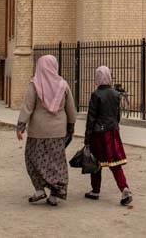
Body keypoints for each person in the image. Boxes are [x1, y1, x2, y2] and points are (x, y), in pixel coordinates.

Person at [16, 55, 76, 206]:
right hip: (57, 131)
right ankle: (55, 194)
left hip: (38, 131)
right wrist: (71, 127)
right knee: (57, 162)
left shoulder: (35, 84)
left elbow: (27, 106)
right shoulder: (63, 85)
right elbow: (71, 109)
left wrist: (21, 126)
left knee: (33, 159)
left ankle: (39, 189)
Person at [84, 66, 133, 205]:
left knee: (95, 163)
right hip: (113, 132)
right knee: (115, 163)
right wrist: (114, 126)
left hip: (98, 134)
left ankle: (95, 190)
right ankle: (124, 188)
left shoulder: (96, 95)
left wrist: (87, 139)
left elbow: (91, 118)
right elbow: (117, 116)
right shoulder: (116, 94)